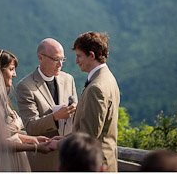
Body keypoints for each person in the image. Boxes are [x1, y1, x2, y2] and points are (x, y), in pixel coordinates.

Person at [0, 49, 56, 171]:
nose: (15, 74)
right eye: (11, 69)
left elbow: (8, 135)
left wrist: (36, 139)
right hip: (0, 162)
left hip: (13, 158)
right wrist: (36, 148)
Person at [16, 38, 78, 171]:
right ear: (40, 57)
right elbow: (31, 127)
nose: (60, 64)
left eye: (63, 59)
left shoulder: (69, 79)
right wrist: (55, 117)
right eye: (56, 59)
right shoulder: (25, 86)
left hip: (70, 157)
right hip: (45, 160)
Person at [72, 31, 120, 172]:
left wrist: (61, 143)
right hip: (107, 160)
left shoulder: (96, 87)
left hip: (95, 164)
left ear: (92, 56)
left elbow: (88, 136)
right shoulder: (109, 78)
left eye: (79, 56)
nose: (76, 61)